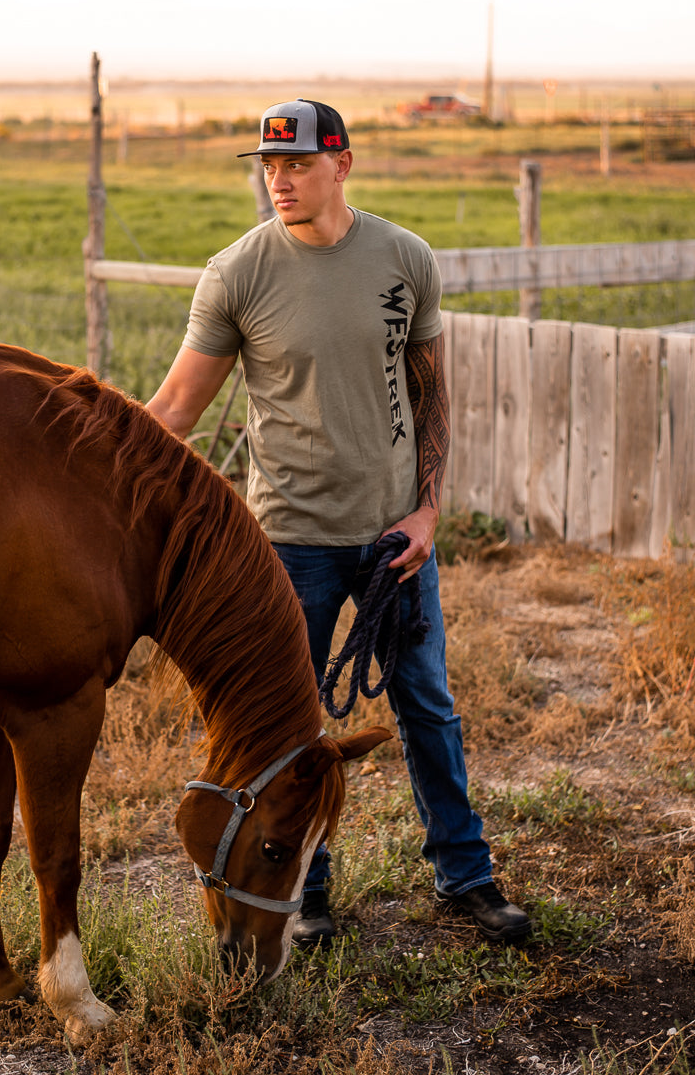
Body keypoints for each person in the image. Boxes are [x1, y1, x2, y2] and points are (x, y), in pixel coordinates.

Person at [147, 99, 530, 946]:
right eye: (268, 166)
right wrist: (89, 459)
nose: (279, 180)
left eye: (297, 164)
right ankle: (307, 891)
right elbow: (174, 406)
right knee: (293, 727)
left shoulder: (404, 259)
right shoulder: (237, 272)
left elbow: (429, 393)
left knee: (427, 704)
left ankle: (464, 875)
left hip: (396, 539)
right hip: (287, 544)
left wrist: (428, 510)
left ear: (343, 163)